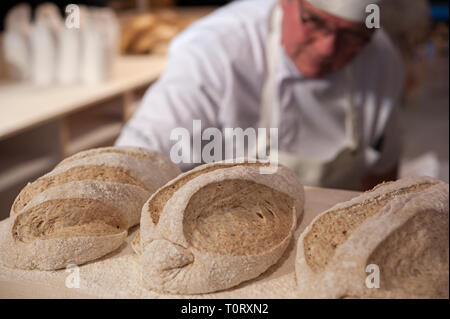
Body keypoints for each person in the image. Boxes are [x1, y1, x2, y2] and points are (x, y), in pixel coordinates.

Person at [116, 0, 404, 191]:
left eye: (352, 36)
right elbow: (134, 171)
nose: (327, 48)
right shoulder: (214, 50)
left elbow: (382, 175)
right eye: (314, 22)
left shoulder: (381, 59)